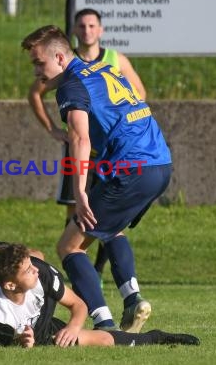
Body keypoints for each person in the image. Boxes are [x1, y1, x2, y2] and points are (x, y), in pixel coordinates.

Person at [21, 26, 172, 333]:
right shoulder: (103, 69)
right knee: (109, 229)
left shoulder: (71, 86)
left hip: (132, 169)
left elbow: (80, 138)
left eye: (39, 63)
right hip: (159, 164)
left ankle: (105, 323)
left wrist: (79, 192)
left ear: (60, 57)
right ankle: (132, 300)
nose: (37, 71)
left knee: (69, 246)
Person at [0, 218, 199, 348]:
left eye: (31, 268)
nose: (35, 270)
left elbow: (77, 305)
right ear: (10, 287)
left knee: (35, 255)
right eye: (27, 271)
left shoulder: (40, 273)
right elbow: (11, 348)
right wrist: (25, 341)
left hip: (39, 317)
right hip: (34, 334)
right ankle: (156, 338)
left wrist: (73, 325)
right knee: (104, 340)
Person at [27, 8, 147, 283]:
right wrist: (53, 129)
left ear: (101, 30)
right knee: (77, 209)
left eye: (92, 25)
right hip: (82, 152)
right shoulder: (64, 65)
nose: (87, 31)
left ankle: (95, 273)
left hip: (109, 151)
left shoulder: (114, 60)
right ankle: (84, 270)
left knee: (105, 214)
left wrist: (122, 123)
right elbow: (35, 93)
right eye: (81, 26)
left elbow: (139, 93)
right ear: (75, 31)